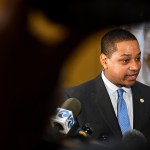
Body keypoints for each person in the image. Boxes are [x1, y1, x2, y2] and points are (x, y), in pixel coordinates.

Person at [63, 28, 150, 144]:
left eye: (138, 58)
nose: (135, 66)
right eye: (125, 60)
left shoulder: (147, 95)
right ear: (104, 61)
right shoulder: (74, 99)